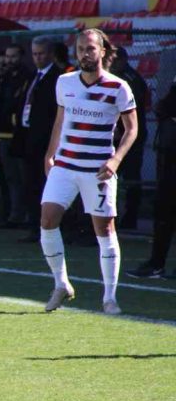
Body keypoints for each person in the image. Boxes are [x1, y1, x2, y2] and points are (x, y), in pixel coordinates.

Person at [39, 29, 137, 315]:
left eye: (91, 48)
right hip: (65, 165)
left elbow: (132, 129)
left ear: (103, 51)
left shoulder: (119, 87)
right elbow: (61, 120)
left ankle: (109, 297)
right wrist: (50, 154)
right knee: (47, 219)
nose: (85, 53)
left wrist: (116, 160)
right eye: (81, 48)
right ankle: (61, 284)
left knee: (104, 229)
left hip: (98, 170)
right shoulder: (65, 82)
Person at [128, 76, 176, 278]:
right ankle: (156, 263)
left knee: (166, 210)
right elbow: (164, 106)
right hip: (169, 152)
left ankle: (157, 262)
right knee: (164, 210)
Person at [15, 36, 62, 242]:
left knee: (46, 185)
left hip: (46, 141)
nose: (37, 58)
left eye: (41, 53)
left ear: (51, 54)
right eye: (34, 54)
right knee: (30, 184)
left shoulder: (58, 78)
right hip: (29, 139)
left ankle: (49, 227)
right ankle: (35, 225)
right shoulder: (33, 77)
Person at [0, 46, 32, 228]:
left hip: (20, 135)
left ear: (21, 57)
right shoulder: (2, 79)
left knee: (25, 177)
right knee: (10, 177)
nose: (9, 60)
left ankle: (29, 216)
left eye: (13, 56)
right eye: (8, 56)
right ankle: (14, 215)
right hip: (3, 135)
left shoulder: (28, 78)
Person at [111, 46, 149, 230]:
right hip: (117, 136)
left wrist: (120, 128)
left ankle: (131, 216)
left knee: (131, 176)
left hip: (131, 137)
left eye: (115, 60)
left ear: (123, 60)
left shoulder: (130, 79)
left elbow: (131, 109)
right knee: (113, 176)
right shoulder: (116, 77)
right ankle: (114, 215)